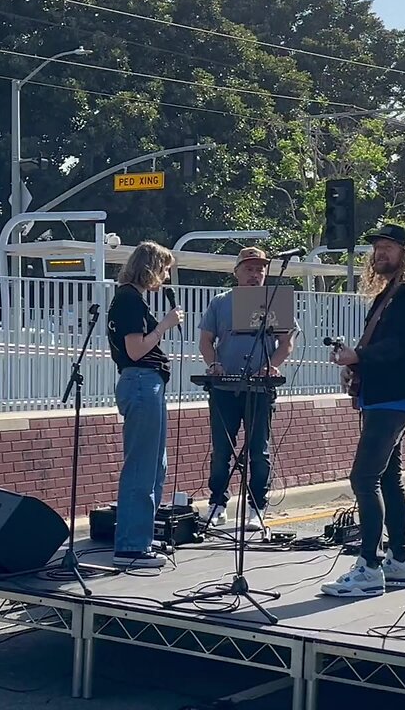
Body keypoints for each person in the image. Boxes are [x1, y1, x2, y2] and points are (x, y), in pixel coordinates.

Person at [321, 222, 405, 598]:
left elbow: (399, 345)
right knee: (389, 477)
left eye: (388, 247)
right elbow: (381, 344)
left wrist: (359, 356)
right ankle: (400, 561)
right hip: (385, 392)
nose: (380, 253)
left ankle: (369, 567)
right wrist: (355, 365)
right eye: (377, 248)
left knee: (363, 478)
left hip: (395, 395)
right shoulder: (392, 292)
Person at [198, 247, 300, 531]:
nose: (255, 275)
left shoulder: (273, 301)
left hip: (260, 388)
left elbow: (286, 344)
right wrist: (214, 363)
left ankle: (257, 506)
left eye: (260, 270)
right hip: (225, 386)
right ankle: (217, 502)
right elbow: (206, 341)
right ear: (237, 272)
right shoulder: (220, 302)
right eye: (249, 269)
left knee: (259, 450)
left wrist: (271, 366)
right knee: (221, 449)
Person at [106, 241, 184, 568]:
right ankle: (131, 547)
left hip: (145, 382)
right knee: (142, 465)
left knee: (155, 465)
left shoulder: (131, 299)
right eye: (164, 270)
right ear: (151, 267)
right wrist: (164, 325)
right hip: (141, 381)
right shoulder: (129, 300)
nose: (165, 278)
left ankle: (140, 535)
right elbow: (136, 350)